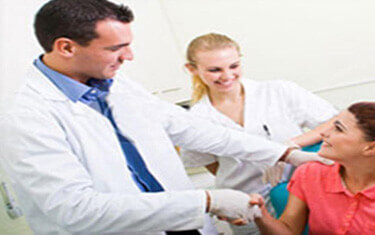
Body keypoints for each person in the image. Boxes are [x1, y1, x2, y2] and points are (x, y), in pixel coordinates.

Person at [0, 1, 331, 234]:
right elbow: (76, 210)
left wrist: (285, 153)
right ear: (67, 47)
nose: (129, 56)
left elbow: (192, 129)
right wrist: (208, 199)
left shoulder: (118, 85)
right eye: (116, 48)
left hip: (184, 224)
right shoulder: (28, 118)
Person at [180, 33, 338, 234]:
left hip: (303, 195)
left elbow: (336, 122)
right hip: (247, 206)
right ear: (192, 69)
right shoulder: (195, 118)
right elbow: (213, 165)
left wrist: (289, 146)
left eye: (234, 66)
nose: (227, 75)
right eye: (214, 70)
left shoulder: (278, 91)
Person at [251, 102, 375, 235]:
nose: (325, 133)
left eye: (338, 128)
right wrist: (260, 214)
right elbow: (288, 231)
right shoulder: (310, 173)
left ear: (372, 147)